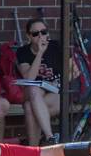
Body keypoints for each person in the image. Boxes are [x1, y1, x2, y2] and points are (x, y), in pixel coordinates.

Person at [16, 18, 62, 146]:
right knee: (33, 89)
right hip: (35, 94)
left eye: (44, 32)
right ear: (29, 36)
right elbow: (29, 79)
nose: (41, 36)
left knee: (30, 107)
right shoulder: (23, 52)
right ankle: (49, 136)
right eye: (35, 34)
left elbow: (73, 72)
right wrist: (40, 53)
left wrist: (57, 83)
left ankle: (33, 150)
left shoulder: (56, 46)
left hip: (56, 93)